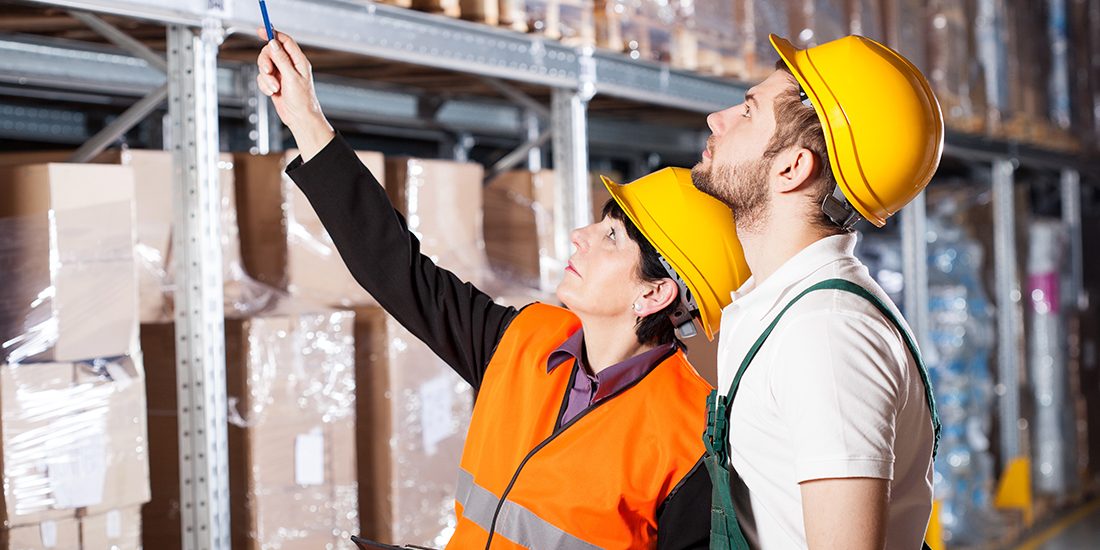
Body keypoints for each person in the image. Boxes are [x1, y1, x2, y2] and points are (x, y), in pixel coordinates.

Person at [254, 29, 752, 548]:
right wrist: (306, 118)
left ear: (654, 294)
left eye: (611, 237)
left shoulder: (691, 439)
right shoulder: (526, 340)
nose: (580, 236)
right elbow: (394, 268)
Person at [693, 34, 943, 549]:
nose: (717, 119)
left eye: (746, 110)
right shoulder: (785, 307)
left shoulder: (826, 334)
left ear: (792, 168)